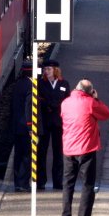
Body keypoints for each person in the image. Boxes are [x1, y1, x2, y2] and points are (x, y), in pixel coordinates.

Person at [60, 79, 109, 216]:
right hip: (86, 148)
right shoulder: (90, 102)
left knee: (68, 184)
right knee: (88, 184)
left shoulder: (65, 102)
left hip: (68, 148)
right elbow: (106, 114)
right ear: (90, 91)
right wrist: (96, 98)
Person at [37, 59, 70, 190]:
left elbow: (67, 100)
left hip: (58, 122)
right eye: (45, 69)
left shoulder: (64, 83)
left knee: (58, 153)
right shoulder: (40, 83)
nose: (46, 71)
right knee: (41, 152)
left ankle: (58, 182)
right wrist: (49, 104)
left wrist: (52, 104)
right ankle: (41, 181)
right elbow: (38, 100)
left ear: (55, 70)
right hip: (44, 122)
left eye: (49, 69)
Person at [10, 61, 33, 192]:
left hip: (16, 126)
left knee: (18, 155)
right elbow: (28, 107)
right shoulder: (30, 86)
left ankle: (17, 183)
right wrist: (30, 127)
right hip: (25, 127)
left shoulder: (18, 84)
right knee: (26, 155)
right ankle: (24, 183)